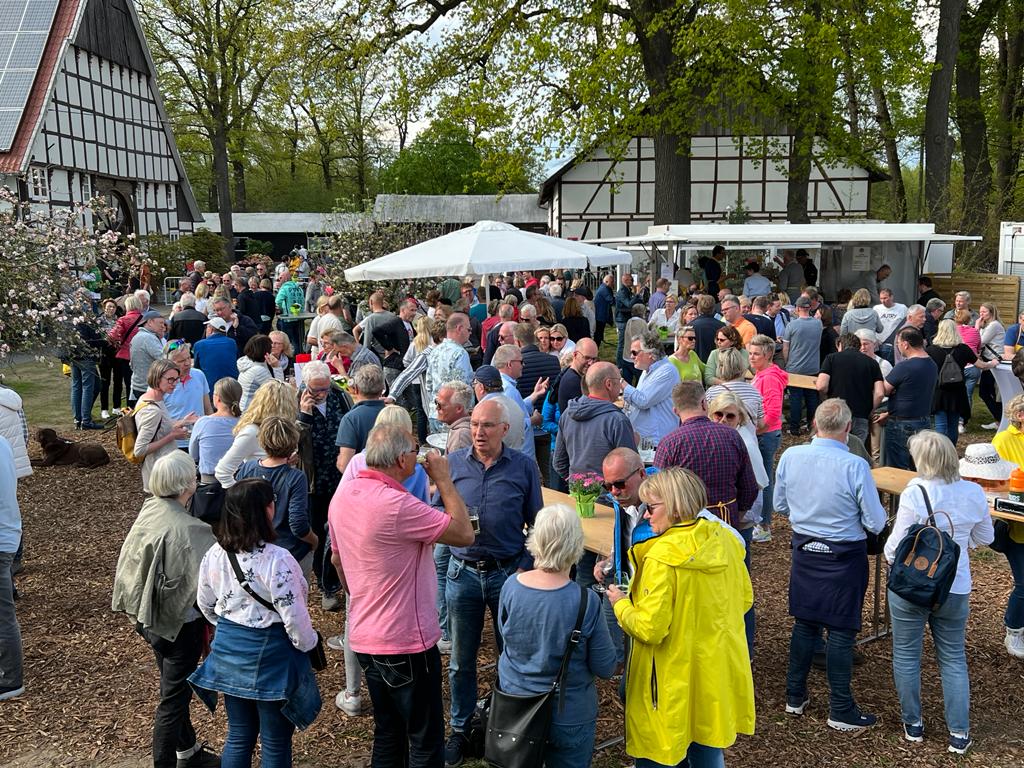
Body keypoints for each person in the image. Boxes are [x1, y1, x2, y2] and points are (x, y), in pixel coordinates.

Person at [331, 423, 474, 766]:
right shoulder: (396, 505)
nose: (420, 456)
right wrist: (443, 479)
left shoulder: (344, 496)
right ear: (400, 460)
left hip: (365, 634)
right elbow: (464, 532)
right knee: (424, 738)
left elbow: (338, 560)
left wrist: (360, 591)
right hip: (405, 640)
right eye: (414, 450)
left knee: (388, 731)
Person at [608, 468, 755, 768]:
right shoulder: (725, 541)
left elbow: (649, 628)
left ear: (674, 506)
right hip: (713, 673)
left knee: (658, 753)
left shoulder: (661, 556)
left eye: (651, 507)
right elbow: (743, 600)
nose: (647, 516)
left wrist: (621, 604)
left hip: (667, 681)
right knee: (707, 748)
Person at [189, 478, 321, 766]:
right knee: (275, 742)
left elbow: (205, 605)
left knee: (238, 735)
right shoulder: (279, 559)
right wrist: (310, 645)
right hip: (272, 658)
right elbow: (295, 621)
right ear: (267, 510)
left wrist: (230, 628)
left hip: (229, 655)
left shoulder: (214, 554)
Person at [441, 399, 543, 767]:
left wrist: (525, 567)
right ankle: (460, 730)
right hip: (464, 572)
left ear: (504, 430)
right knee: (461, 661)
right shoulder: (453, 465)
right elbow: (435, 513)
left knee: (509, 657)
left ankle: (503, 731)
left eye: (487, 426)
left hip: (507, 574)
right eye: (475, 425)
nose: (479, 432)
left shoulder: (524, 468)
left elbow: (538, 525)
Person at [775, 398, 887, 732]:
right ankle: (840, 707)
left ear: (813, 424)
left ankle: (795, 695)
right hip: (844, 553)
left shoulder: (791, 456)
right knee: (840, 630)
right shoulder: (855, 466)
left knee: (805, 623)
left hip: (806, 549)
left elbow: (780, 504)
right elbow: (876, 520)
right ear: (849, 428)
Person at [883, 431, 994, 754]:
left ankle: (913, 724)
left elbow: (894, 547)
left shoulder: (915, 491)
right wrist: (960, 542)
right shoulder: (973, 492)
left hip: (912, 586)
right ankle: (959, 732)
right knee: (953, 658)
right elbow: (985, 538)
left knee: (906, 654)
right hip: (954, 586)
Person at [111, 451, 219, 768]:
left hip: (147, 617)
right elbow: (210, 588)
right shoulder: (192, 530)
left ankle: (187, 751)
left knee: (172, 686)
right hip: (178, 625)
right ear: (187, 484)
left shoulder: (150, 510)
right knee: (172, 701)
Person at [498, 505, 616, 767]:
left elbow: (507, 640)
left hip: (516, 706)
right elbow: (606, 666)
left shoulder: (510, 587)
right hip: (568, 713)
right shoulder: (585, 601)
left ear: (535, 539)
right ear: (576, 544)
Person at [655, 380, 758, 534]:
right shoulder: (732, 436)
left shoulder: (669, 444)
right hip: (726, 522)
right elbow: (749, 488)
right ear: (704, 404)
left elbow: (658, 494)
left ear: (675, 411)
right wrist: (736, 512)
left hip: (687, 528)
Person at [235, 418, 317, 574]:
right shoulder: (296, 477)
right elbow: (298, 524)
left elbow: (237, 509)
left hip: (254, 549)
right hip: (290, 552)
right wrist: (314, 540)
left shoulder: (248, 469)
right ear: (293, 443)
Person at [554, 361, 636, 480]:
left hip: (578, 494)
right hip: (611, 495)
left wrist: (579, 484)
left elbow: (559, 463)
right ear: (609, 384)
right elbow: (630, 467)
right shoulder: (617, 420)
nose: (620, 387)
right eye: (619, 381)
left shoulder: (567, 414)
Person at [215, 379, 298, 488]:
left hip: (284, 494)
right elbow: (223, 471)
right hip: (261, 499)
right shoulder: (252, 432)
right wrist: (243, 497)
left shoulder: (286, 429)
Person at [134, 360, 196, 494]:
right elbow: (139, 450)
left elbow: (160, 426)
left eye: (176, 379)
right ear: (157, 378)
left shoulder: (152, 399)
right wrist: (172, 436)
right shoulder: (152, 411)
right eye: (170, 380)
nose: (174, 384)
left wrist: (182, 422)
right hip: (160, 475)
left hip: (163, 472)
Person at [883, 327, 939, 470]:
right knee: (919, 465)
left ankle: (900, 493)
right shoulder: (932, 364)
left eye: (898, 343)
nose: (898, 346)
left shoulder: (904, 367)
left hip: (902, 423)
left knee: (898, 468)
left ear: (906, 344)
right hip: (923, 420)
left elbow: (884, 389)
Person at [749, 335, 786, 544]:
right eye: (751, 353)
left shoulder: (770, 378)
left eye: (757, 354)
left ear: (768, 355)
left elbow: (772, 412)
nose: (752, 358)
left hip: (766, 434)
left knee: (764, 481)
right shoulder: (762, 374)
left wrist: (756, 429)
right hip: (763, 433)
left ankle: (764, 525)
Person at [817, 332, 883, 446]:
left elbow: (821, 385)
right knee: (856, 450)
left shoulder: (831, 358)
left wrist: (826, 401)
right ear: (858, 346)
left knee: (835, 449)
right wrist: (871, 409)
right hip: (861, 413)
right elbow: (880, 393)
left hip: (836, 413)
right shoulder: (872, 363)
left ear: (840, 345)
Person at [624, 331, 681, 446]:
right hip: (646, 440)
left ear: (650, 353)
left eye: (634, 353)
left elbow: (643, 401)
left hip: (658, 440)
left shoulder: (667, 371)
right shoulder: (648, 370)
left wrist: (622, 385)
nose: (631, 356)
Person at [0, 436, 23, 700]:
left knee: (3, 613)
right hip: (8, 533)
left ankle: (10, 678)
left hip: (2, 538)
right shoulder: (4, 442)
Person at [423, 314, 474, 433]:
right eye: (469, 329)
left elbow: (428, 385)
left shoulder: (435, 351)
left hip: (435, 412)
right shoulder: (460, 353)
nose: (470, 333)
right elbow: (461, 390)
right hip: (453, 417)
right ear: (459, 328)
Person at [783, 295, 822, 435]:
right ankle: (812, 427)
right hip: (813, 367)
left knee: (795, 399)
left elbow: (786, 348)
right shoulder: (818, 324)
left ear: (798, 308)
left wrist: (787, 363)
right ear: (810, 308)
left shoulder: (792, 325)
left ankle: (794, 428)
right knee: (812, 398)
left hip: (795, 367)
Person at [189, 377, 242, 482]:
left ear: (217, 398)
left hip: (209, 481)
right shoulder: (245, 424)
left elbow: (193, 455)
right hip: (239, 479)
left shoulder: (203, 423)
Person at [108, 294, 145, 407]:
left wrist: (118, 341)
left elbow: (112, 336)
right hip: (143, 355)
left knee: (129, 384)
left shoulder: (123, 320)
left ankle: (131, 408)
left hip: (126, 355)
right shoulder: (146, 319)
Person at [976, 302, 1006, 428]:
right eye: (980, 311)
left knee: (984, 391)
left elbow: (979, 342)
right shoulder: (991, 325)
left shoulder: (994, 325)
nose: (981, 314)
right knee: (991, 392)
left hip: (993, 362)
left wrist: (977, 326)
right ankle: (1000, 419)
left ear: (991, 312)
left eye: (984, 312)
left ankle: (1000, 419)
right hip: (992, 361)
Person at [130, 311, 168, 403]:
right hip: (147, 387)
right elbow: (165, 359)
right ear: (150, 322)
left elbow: (131, 364)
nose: (163, 326)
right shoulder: (148, 338)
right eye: (161, 323)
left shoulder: (138, 336)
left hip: (139, 384)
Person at [236, 334, 277, 412]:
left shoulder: (247, 362)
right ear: (266, 352)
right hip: (251, 412)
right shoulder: (258, 371)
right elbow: (278, 391)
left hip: (245, 408)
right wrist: (277, 367)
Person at [436, 381, 474, 453]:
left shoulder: (461, 436)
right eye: (436, 402)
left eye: (441, 405)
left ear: (458, 408)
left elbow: (458, 464)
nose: (437, 408)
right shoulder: (461, 428)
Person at [594, 273, 614, 346]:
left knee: (599, 334)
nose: (613, 284)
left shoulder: (604, 288)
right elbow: (611, 300)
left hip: (600, 315)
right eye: (612, 282)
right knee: (598, 335)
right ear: (606, 282)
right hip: (600, 316)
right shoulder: (604, 289)